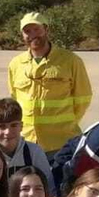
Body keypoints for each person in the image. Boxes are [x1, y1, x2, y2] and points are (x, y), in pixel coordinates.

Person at [6, 12, 92, 148]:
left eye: (36, 29)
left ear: (46, 30)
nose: (32, 34)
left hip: (62, 141)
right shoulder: (16, 64)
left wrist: (67, 122)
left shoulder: (70, 61)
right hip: (27, 140)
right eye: (27, 31)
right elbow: (15, 99)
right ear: (22, 35)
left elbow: (83, 98)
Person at [0, 98, 55, 196]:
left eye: (13, 125)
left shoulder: (33, 151)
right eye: (1, 126)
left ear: (21, 126)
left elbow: (49, 188)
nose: (8, 132)